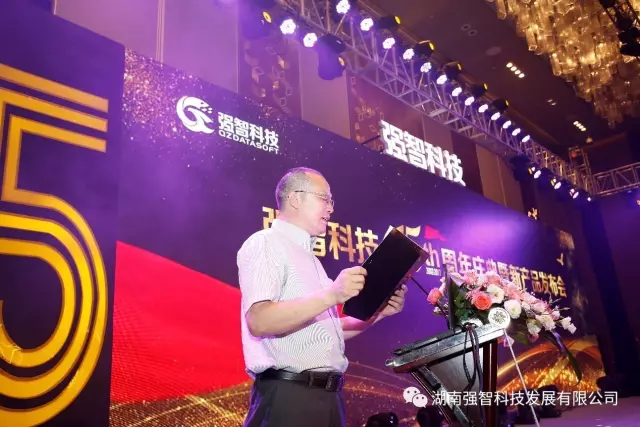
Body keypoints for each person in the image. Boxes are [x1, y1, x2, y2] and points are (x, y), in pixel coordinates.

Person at [237, 167, 408, 427]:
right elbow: (260, 321)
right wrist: (332, 294)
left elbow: (330, 330)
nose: (331, 208)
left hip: (327, 398)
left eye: (331, 201)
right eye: (324, 198)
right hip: (290, 398)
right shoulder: (266, 243)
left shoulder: (311, 260)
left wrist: (377, 314)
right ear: (295, 198)